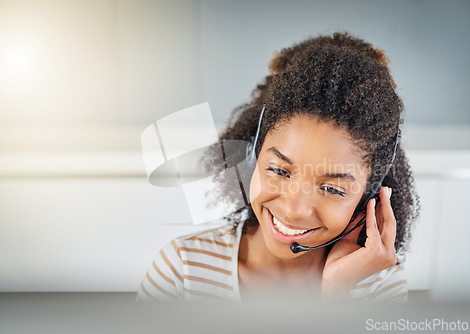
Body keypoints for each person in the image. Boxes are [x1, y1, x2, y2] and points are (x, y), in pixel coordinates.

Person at [137, 32, 419, 303]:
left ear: (369, 198)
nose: (294, 209)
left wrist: (336, 295)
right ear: (253, 156)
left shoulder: (379, 286)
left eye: (332, 188)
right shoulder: (183, 270)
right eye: (279, 171)